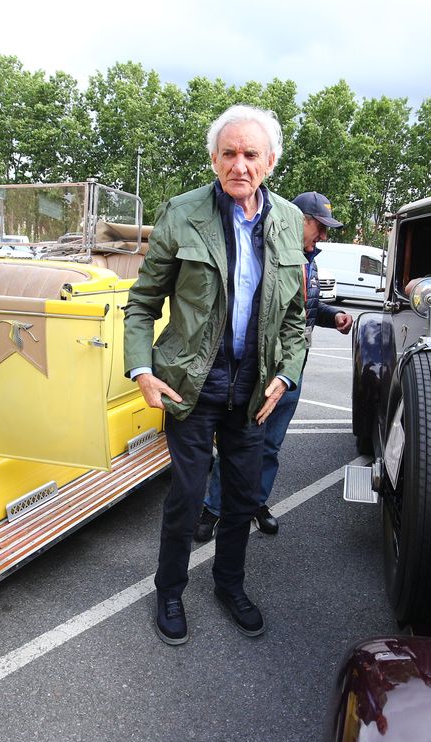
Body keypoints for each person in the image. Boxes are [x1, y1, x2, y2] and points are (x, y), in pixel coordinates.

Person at [124, 105, 307, 646]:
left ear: (270, 161)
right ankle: (171, 590)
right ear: (214, 158)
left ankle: (229, 584)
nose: (240, 165)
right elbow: (141, 304)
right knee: (185, 494)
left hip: (255, 389)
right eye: (229, 153)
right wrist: (141, 369)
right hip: (190, 384)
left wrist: (286, 375)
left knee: (244, 495)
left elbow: (295, 316)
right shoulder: (181, 214)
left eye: (251, 154)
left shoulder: (290, 221)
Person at [195, 191, 352, 542]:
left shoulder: (308, 261)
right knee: (238, 445)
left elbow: (303, 310)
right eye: (319, 226)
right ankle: (214, 507)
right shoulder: (263, 253)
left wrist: (334, 316)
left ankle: (255, 502)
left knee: (270, 447)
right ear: (297, 220)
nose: (323, 236)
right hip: (260, 373)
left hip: (291, 374)